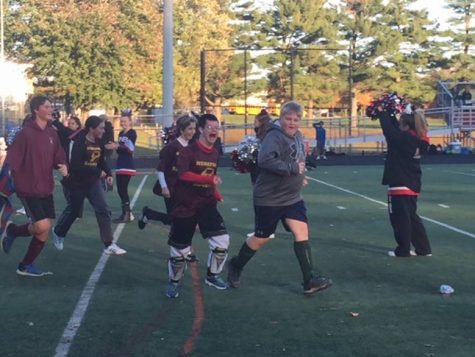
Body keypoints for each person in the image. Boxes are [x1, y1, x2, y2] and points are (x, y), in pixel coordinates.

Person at [227, 101, 333, 295]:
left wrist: (301, 177)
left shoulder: (299, 136)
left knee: (301, 231)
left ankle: (309, 280)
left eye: (295, 119)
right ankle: (236, 265)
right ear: (281, 118)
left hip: (292, 197)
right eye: (288, 119)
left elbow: (297, 160)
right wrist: (293, 169)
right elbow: (265, 160)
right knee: (262, 238)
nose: (291, 123)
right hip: (269, 197)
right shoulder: (274, 136)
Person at [0, 95, 69, 276]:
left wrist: (62, 164)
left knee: (44, 231)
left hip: (46, 187)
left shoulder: (52, 133)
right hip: (28, 187)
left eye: (51, 106)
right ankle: (13, 230)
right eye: (47, 106)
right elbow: (11, 161)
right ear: (36, 110)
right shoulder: (25, 134)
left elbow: (58, 155)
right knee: (42, 226)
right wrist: (5, 183)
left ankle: (25, 266)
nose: (51, 109)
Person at [165, 114, 230, 298]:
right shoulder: (188, 151)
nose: (214, 131)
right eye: (210, 127)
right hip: (185, 204)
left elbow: (212, 176)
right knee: (179, 250)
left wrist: (216, 193)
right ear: (201, 129)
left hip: (206, 203)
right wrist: (208, 179)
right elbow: (183, 175)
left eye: (216, 127)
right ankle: (173, 282)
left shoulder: (215, 152)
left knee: (222, 240)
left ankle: (212, 276)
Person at [52, 116, 127, 255]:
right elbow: (76, 165)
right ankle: (58, 232)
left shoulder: (100, 142)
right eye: (101, 128)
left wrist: (108, 173)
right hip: (77, 182)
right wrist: (98, 172)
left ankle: (108, 243)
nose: (103, 131)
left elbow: (101, 161)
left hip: (93, 183)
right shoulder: (79, 141)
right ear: (92, 129)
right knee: (74, 211)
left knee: (103, 209)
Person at [376, 105, 432, 257]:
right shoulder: (420, 138)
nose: (399, 127)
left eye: (401, 124)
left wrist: (382, 113)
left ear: (407, 126)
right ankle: (424, 249)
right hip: (413, 182)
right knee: (412, 216)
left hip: (400, 182)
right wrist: (390, 114)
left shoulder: (404, 139)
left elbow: (389, 131)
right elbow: (394, 130)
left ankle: (403, 249)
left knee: (400, 218)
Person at [138, 114, 197, 230]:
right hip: (171, 187)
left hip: (184, 188)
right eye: (190, 129)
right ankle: (181, 245)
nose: (193, 132)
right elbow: (161, 169)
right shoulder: (171, 148)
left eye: (194, 128)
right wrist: (164, 187)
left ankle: (149, 214)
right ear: (181, 130)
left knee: (180, 218)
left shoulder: (191, 147)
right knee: (176, 219)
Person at [112, 110, 137, 223]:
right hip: (120, 164)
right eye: (121, 121)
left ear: (130, 122)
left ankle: (126, 214)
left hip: (127, 164)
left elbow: (130, 149)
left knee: (123, 190)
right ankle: (127, 213)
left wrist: (117, 146)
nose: (123, 123)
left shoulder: (132, 133)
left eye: (125, 121)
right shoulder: (121, 134)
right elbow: (120, 150)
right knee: (120, 190)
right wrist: (116, 147)